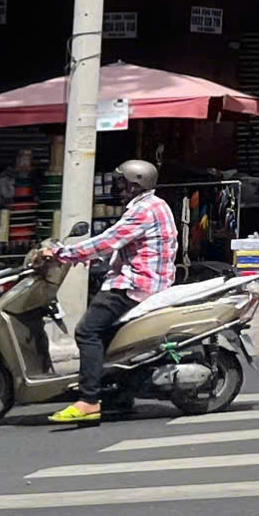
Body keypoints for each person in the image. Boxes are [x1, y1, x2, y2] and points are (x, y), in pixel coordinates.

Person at [42, 159, 177, 426]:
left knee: (87, 331)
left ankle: (89, 401)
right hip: (147, 281)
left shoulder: (143, 210)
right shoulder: (155, 205)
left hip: (136, 285)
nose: (117, 187)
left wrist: (63, 253)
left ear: (134, 184)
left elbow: (108, 240)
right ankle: (119, 394)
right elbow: (126, 244)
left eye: (121, 182)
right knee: (110, 335)